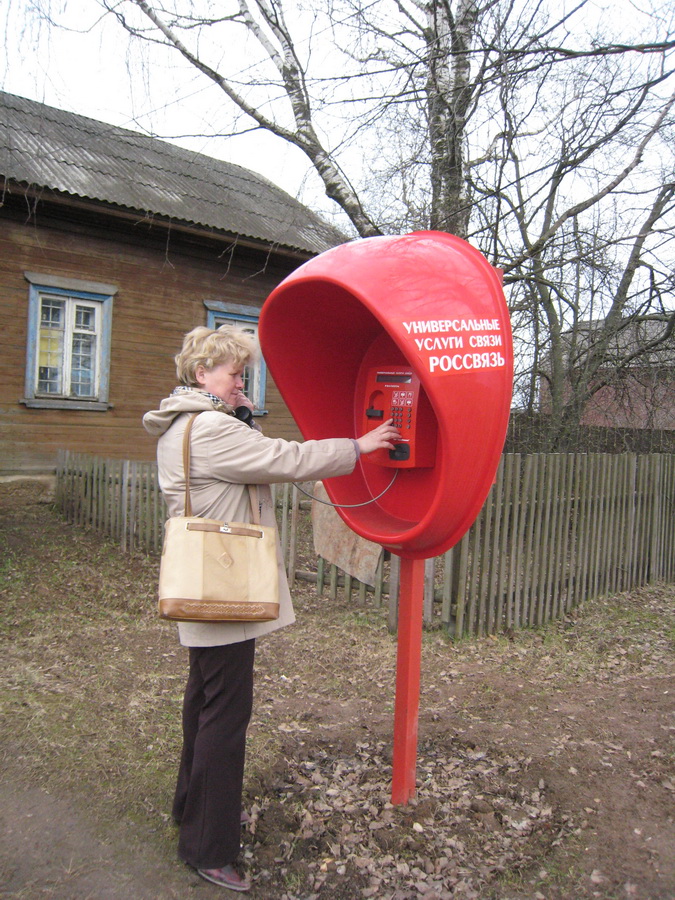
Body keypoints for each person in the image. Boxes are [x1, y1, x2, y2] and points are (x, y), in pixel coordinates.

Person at [142, 325, 399, 892]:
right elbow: (282, 459)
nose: (241, 382)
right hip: (224, 587)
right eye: (234, 373)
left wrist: (241, 412)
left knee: (204, 701)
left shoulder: (186, 423)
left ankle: (190, 808)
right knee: (225, 716)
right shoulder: (208, 427)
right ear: (203, 373)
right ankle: (208, 847)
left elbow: (250, 460)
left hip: (205, 581)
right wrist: (359, 446)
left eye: (242, 374)